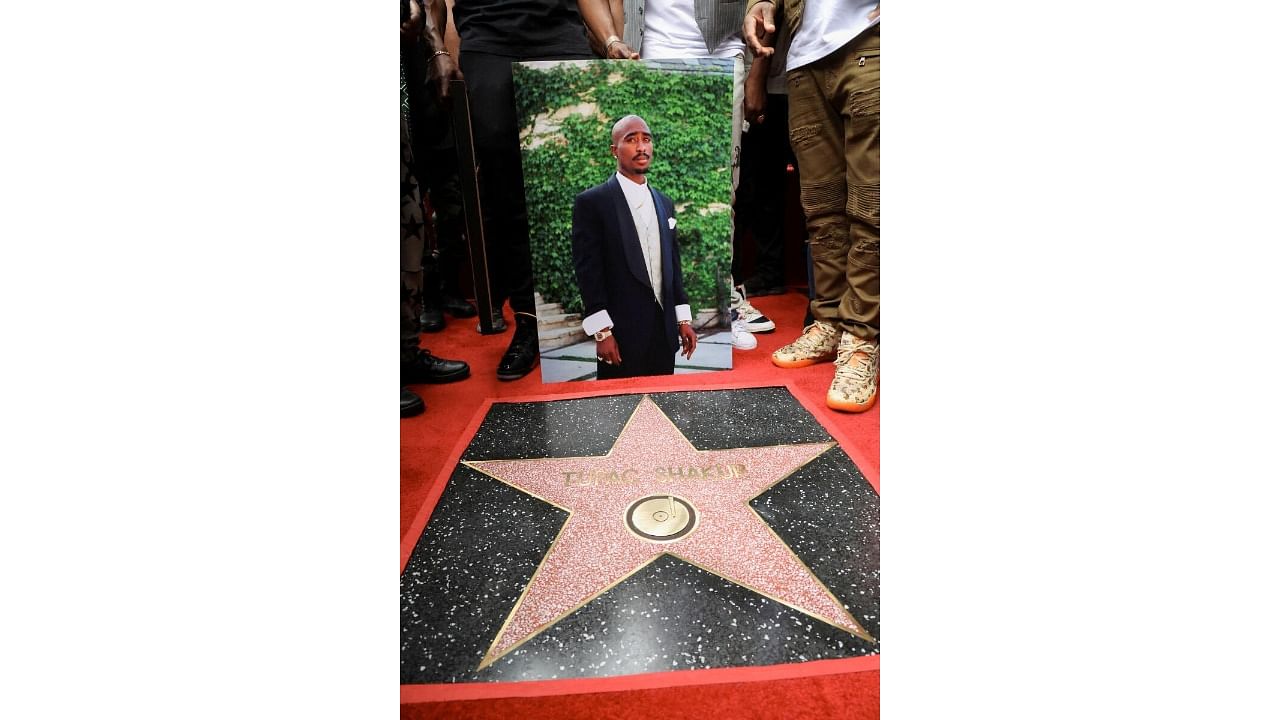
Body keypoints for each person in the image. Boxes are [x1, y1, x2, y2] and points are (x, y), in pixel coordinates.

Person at [577, 0, 776, 345]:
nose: (642, 146)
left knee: (721, 191)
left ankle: (723, 303)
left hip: (722, 56)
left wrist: (758, 68)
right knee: (657, 199)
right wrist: (611, 40)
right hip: (646, 55)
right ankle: (677, 309)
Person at [427, 0, 596, 380]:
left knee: (578, 185)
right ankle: (528, 325)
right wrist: (439, 49)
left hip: (559, 34)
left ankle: (590, 315)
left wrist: (610, 38)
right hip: (489, 35)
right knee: (507, 191)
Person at [744, 0, 879, 413]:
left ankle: (862, 338)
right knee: (820, 211)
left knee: (872, 204)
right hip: (804, 58)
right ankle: (832, 321)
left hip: (870, 42)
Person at [571, 115, 698, 379]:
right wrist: (602, 332)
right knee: (619, 412)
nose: (641, 147)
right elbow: (588, 273)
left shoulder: (665, 203)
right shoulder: (593, 202)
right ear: (614, 150)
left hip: (663, 336)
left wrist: (683, 320)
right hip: (621, 336)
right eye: (631, 139)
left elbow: (673, 267)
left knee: (664, 408)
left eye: (646, 139)